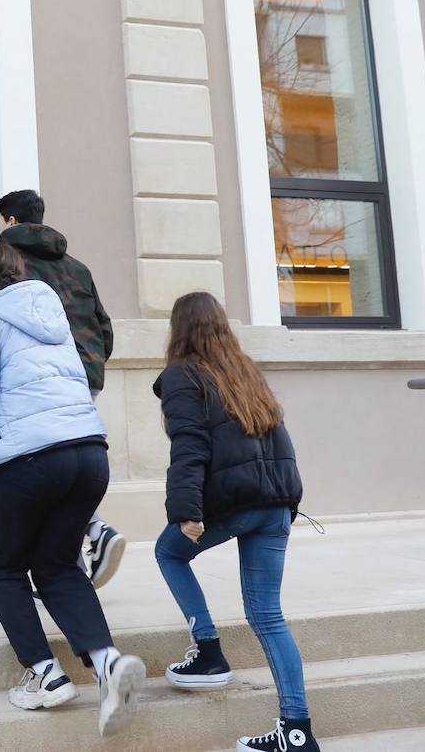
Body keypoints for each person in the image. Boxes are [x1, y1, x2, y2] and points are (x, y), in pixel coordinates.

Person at [0, 244, 145, 738]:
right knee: (56, 565)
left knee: (1, 564)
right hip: (89, 453)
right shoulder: (53, 316)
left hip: (29, 461)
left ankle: (46, 675)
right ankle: (108, 664)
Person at [152, 292, 316, 752]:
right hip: (277, 501)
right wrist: (288, 501)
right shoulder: (246, 371)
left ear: (178, 329)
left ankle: (208, 652)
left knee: (168, 551)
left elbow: (189, 445)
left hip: (238, 501)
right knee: (268, 614)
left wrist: (186, 511)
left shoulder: (184, 374)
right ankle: (297, 731)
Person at [0, 189, 124, 589]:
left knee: (41, 471)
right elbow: (104, 328)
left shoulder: (6, 264)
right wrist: (90, 366)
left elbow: (0, 324)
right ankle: (70, 568)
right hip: (84, 377)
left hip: (40, 380)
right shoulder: (77, 266)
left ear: (12, 222)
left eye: (1, 221)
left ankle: (95, 531)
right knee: (62, 469)